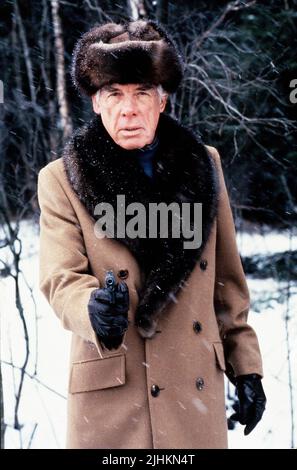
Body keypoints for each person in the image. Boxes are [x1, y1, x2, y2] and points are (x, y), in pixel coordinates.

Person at [38, 19, 266, 449]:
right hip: (112, 399)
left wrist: (246, 366)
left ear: (162, 101)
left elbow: (226, 281)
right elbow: (60, 278)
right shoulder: (62, 179)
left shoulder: (205, 164)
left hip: (192, 388)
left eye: (142, 93)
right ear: (95, 102)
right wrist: (92, 307)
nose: (129, 109)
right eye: (115, 95)